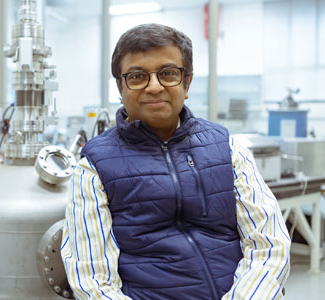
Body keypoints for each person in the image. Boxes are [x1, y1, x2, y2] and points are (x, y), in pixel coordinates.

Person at [61, 23, 290, 300]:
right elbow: (93, 280)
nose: (154, 87)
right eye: (137, 76)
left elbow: (269, 244)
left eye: (168, 73)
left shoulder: (227, 148)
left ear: (187, 82)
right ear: (120, 87)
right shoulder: (94, 166)